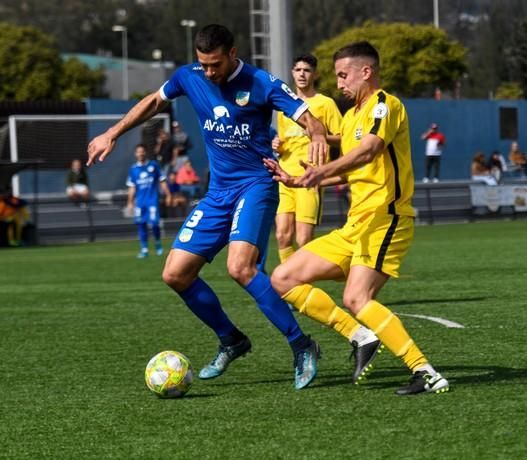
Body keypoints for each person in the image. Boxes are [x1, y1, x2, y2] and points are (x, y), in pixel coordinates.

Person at [87, 24, 329, 390]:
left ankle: (302, 345)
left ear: (233, 53)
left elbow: (307, 116)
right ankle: (232, 339)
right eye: (204, 64)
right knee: (175, 274)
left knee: (240, 268)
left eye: (215, 65)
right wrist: (112, 133)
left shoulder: (261, 81)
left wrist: (317, 135)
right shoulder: (190, 76)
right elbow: (154, 102)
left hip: (257, 185)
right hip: (218, 193)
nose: (209, 73)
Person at [265, 41, 450, 395]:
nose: (339, 83)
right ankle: (360, 335)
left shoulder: (386, 105)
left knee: (356, 298)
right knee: (283, 278)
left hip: (386, 219)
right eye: (337, 76)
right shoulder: (349, 118)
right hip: (355, 226)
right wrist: (302, 178)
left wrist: (323, 170)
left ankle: (426, 372)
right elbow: (352, 171)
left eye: (343, 75)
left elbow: (370, 151)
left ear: (367, 72)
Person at [272, 54, 342, 263]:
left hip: (310, 178)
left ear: (315, 74)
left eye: (307, 70)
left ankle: (304, 281)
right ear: (292, 73)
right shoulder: (285, 106)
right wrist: (277, 145)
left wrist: (320, 136)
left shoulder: (325, 104)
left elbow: (342, 138)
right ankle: (290, 285)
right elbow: (284, 141)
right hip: (286, 177)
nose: (302, 74)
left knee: (303, 239)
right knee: (282, 235)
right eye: (298, 70)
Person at [126, 144, 172, 259]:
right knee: (141, 224)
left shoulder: (153, 165)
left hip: (152, 200)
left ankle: (158, 244)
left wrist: (168, 195)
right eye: (138, 152)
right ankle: (144, 249)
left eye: (142, 151)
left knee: (154, 223)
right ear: (135, 154)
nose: (140, 153)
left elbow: (162, 181)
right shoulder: (133, 169)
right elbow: (132, 187)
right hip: (140, 202)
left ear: (145, 153)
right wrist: (130, 202)